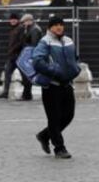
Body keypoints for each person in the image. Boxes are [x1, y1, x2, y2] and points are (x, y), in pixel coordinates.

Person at [32, 14, 79, 160]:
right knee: (54, 117)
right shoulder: (45, 41)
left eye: (61, 24)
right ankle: (59, 148)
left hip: (67, 84)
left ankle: (44, 135)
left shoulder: (68, 40)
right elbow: (37, 61)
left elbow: (75, 58)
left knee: (68, 115)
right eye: (55, 25)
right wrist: (54, 71)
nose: (59, 27)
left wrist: (76, 69)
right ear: (50, 28)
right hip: (52, 86)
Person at [0, 13, 22, 99]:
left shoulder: (19, 28)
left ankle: (27, 93)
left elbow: (20, 42)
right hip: (12, 55)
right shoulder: (12, 29)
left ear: (17, 20)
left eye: (15, 19)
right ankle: (5, 92)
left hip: (18, 55)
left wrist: (12, 49)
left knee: (24, 75)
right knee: (7, 73)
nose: (13, 20)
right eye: (11, 19)